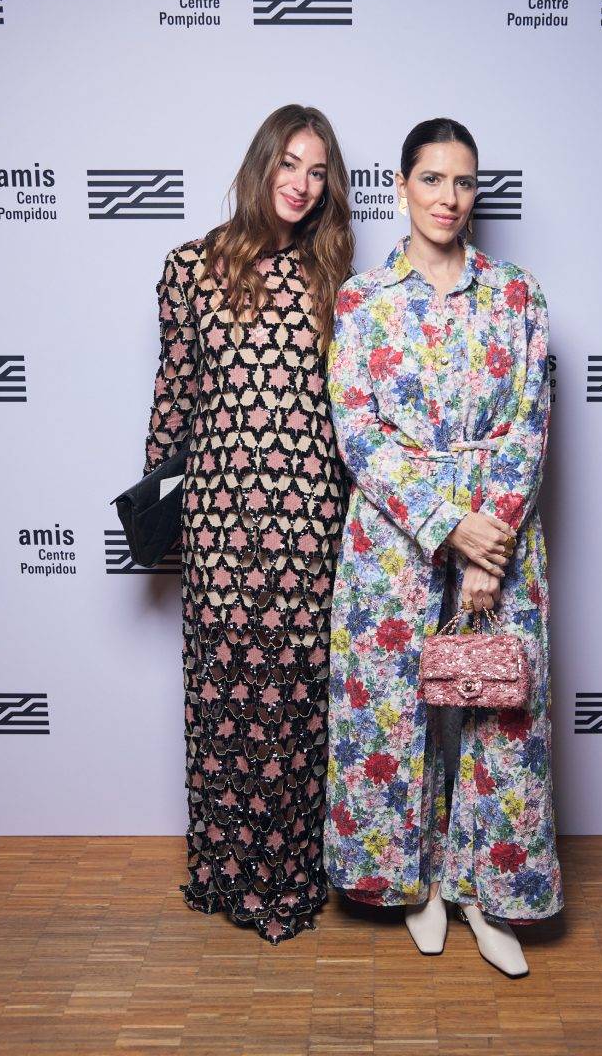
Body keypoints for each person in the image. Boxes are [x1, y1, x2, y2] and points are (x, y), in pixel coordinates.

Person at [325, 117, 562, 975]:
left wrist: (483, 544)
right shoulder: (363, 300)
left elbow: (530, 425)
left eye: (464, 183)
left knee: (499, 714)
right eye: (432, 180)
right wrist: (442, 525)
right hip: (393, 543)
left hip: (501, 540)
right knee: (397, 714)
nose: (449, 199)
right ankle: (415, 880)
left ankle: (485, 893)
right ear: (402, 186)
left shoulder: (518, 295)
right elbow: (358, 431)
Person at [143, 104, 354, 944]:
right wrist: (158, 511)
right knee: (224, 692)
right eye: (289, 165)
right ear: (261, 164)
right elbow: (174, 399)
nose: (302, 185)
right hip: (221, 516)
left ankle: (296, 873)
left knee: (298, 699)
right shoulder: (190, 267)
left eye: (318, 171)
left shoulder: (339, 278)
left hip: (311, 513)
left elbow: (349, 410)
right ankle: (226, 872)